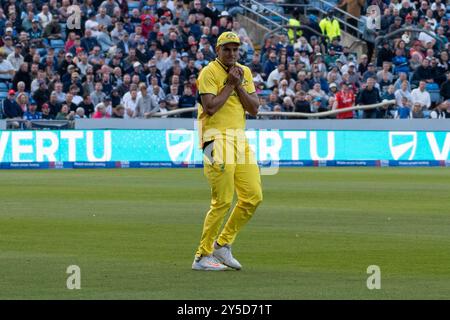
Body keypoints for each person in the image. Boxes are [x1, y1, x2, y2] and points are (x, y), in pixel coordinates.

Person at [193, 31, 262, 271]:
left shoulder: (245, 72)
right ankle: (202, 256)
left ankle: (222, 245)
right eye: (227, 49)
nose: (232, 54)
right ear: (217, 50)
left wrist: (239, 85)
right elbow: (210, 107)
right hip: (214, 139)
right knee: (222, 200)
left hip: (238, 139)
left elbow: (254, 109)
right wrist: (231, 84)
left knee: (253, 196)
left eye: (235, 49)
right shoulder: (209, 72)